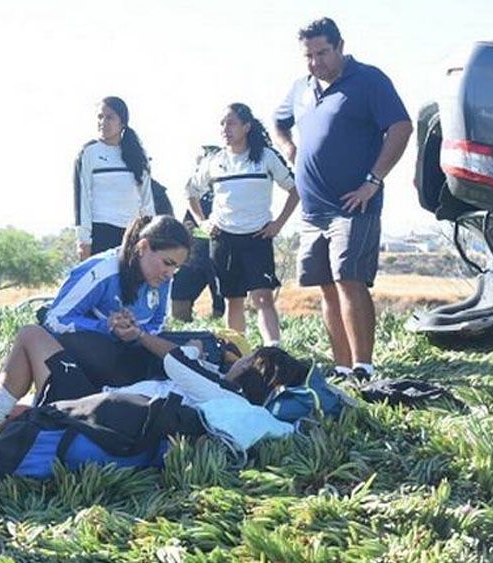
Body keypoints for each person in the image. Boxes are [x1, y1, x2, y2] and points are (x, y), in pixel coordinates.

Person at [273, 18, 412, 381]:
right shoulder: (300, 88)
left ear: (340, 46)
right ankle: (341, 367)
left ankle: (363, 368)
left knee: (349, 279)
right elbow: (278, 121)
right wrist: (289, 148)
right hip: (313, 209)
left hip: (354, 205)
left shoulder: (369, 80)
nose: (316, 62)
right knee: (325, 285)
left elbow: (400, 127)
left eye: (322, 52)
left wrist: (373, 181)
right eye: (308, 55)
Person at [0, 216, 192, 430]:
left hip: (119, 379)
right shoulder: (102, 270)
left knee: (29, 335)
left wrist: (137, 333)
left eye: (177, 268)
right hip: (82, 367)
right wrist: (106, 326)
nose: (171, 274)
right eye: (168, 263)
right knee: (32, 333)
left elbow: (158, 326)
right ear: (142, 247)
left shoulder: (162, 281)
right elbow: (54, 318)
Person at [187, 104, 299, 346]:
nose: (225, 128)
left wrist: (278, 224)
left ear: (247, 127)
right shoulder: (213, 160)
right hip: (223, 238)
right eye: (222, 123)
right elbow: (191, 191)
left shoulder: (266, 157)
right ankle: (238, 350)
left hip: (257, 237)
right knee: (232, 299)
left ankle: (273, 350)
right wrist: (203, 223)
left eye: (231, 123)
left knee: (263, 299)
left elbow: (295, 189)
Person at [74, 96, 156, 259]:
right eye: (100, 117)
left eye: (110, 117)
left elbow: (147, 201)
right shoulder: (89, 153)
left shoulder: (138, 155)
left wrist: (151, 236)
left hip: (132, 234)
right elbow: (81, 199)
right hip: (100, 231)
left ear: (122, 122)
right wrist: (83, 240)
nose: (103, 122)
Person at [171, 145, 224, 323]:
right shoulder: (192, 192)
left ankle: (224, 337)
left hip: (219, 253)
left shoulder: (225, 190)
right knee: (179, 294)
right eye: (198, 164)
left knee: (222, 298)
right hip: (193, 256)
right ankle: (184, 333)